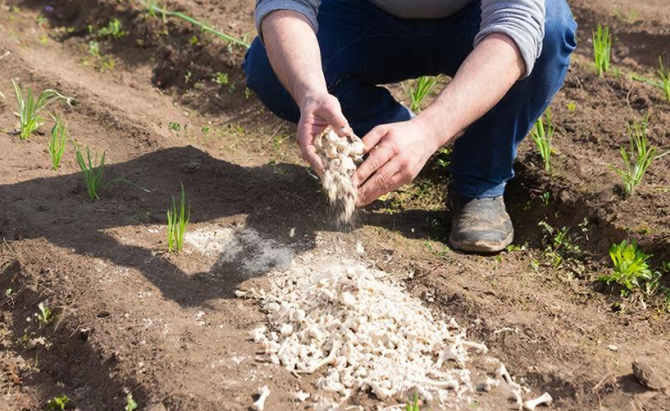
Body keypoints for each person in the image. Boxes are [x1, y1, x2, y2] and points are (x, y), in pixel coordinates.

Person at [243, 0, 576, 253]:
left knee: (550, 28)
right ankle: (388, 140)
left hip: (470, 18)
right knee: (273, 69)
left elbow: (517, 22)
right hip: (360, 14)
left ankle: (479, 180)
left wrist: (430, 130)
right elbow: (285, 4)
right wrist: (310, 90)